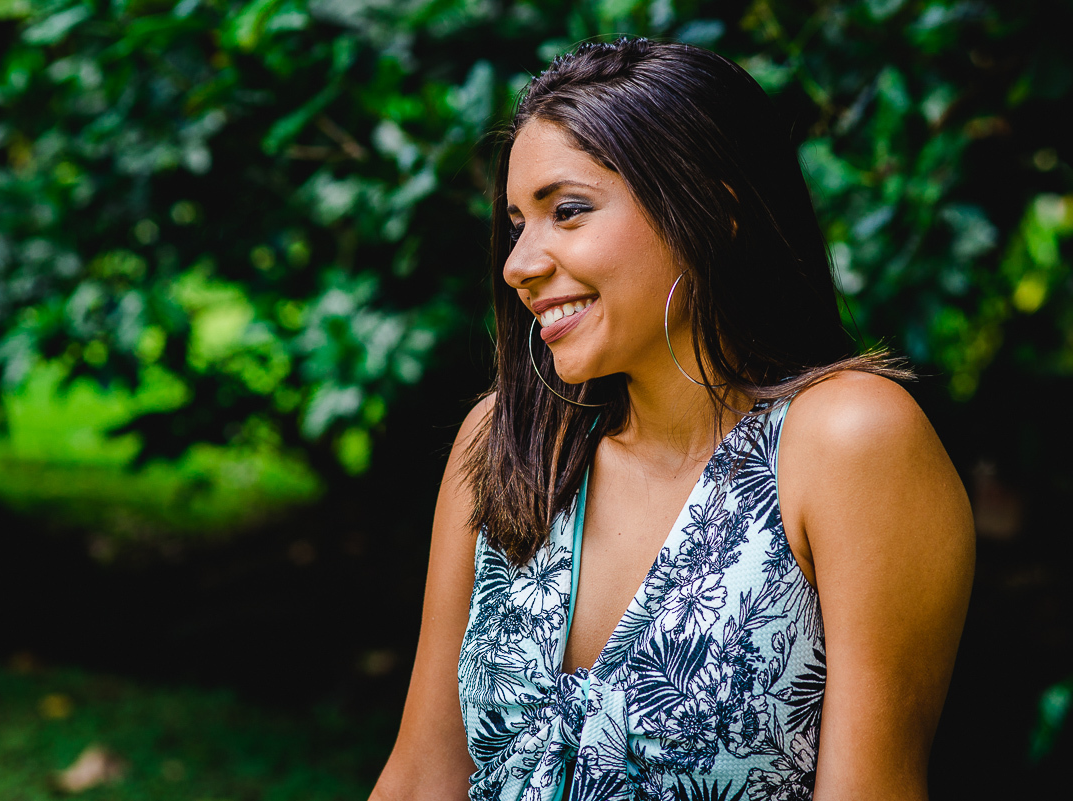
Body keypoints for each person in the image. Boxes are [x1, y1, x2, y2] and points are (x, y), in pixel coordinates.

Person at [370, 38, 974, 801]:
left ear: (712, 209)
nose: (519, 262)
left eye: (569, 211)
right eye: (518, 221)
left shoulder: (846, 443)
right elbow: (423, 776)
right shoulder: (504, 442)